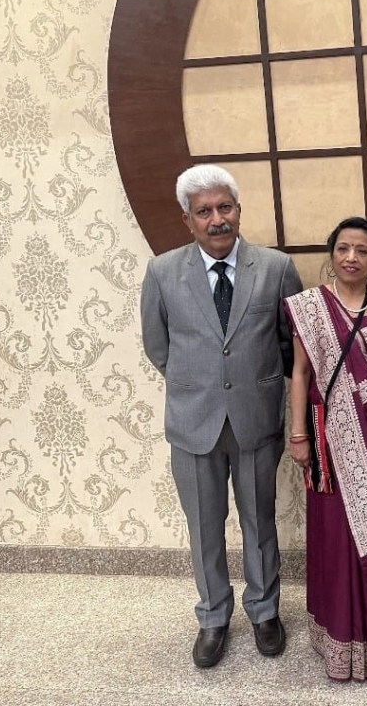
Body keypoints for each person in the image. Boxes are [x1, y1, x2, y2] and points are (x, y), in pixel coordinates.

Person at [140, 164, 302, 668]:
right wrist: (199, 384)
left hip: (255, 419)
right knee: (205, 526)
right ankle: (213, 617)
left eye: (224, 207)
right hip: (193, 423)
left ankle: (265, 611)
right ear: (188, 219)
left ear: (238, 209)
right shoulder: (162, 272)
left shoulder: (275, 268)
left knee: (259, 521)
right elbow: (158, 346)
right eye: (204, 211)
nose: (217, 219)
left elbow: (289, 345)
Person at [283, 217, 367, 681]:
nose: (351, 257)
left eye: (362, 250)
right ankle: (340, 634)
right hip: (330, 441)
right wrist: (297, 434)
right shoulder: (311, 307)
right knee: (337, 537)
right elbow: (300, 373)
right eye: (343, 248)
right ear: (331, 254)